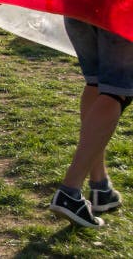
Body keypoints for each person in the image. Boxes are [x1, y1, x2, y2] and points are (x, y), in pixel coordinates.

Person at [48, 17, 132, 228]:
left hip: (78, 1)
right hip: (121, 5)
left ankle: (100, 187)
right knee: (118, 91)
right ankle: (70, 191)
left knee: (96, 84)